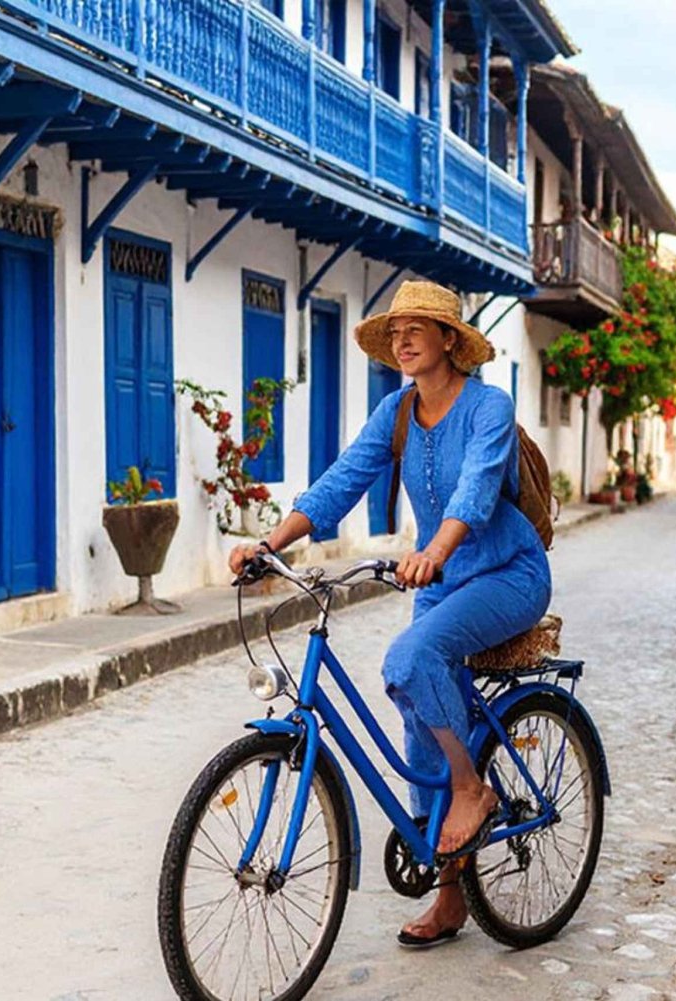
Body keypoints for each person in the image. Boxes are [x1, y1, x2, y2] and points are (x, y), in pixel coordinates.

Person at [228, 281, 552, 948]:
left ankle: (473, 787)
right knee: (415, 709)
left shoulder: (488, 405)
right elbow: (345, 478)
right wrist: (270, 542)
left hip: (507, 574)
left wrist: (431, 549)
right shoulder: (397, 410)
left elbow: (477, 486)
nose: (403, 340)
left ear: (449, 342)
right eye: (397, 330)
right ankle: (450, 894)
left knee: (408, 659)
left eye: (418, 328)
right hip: (441, 581)